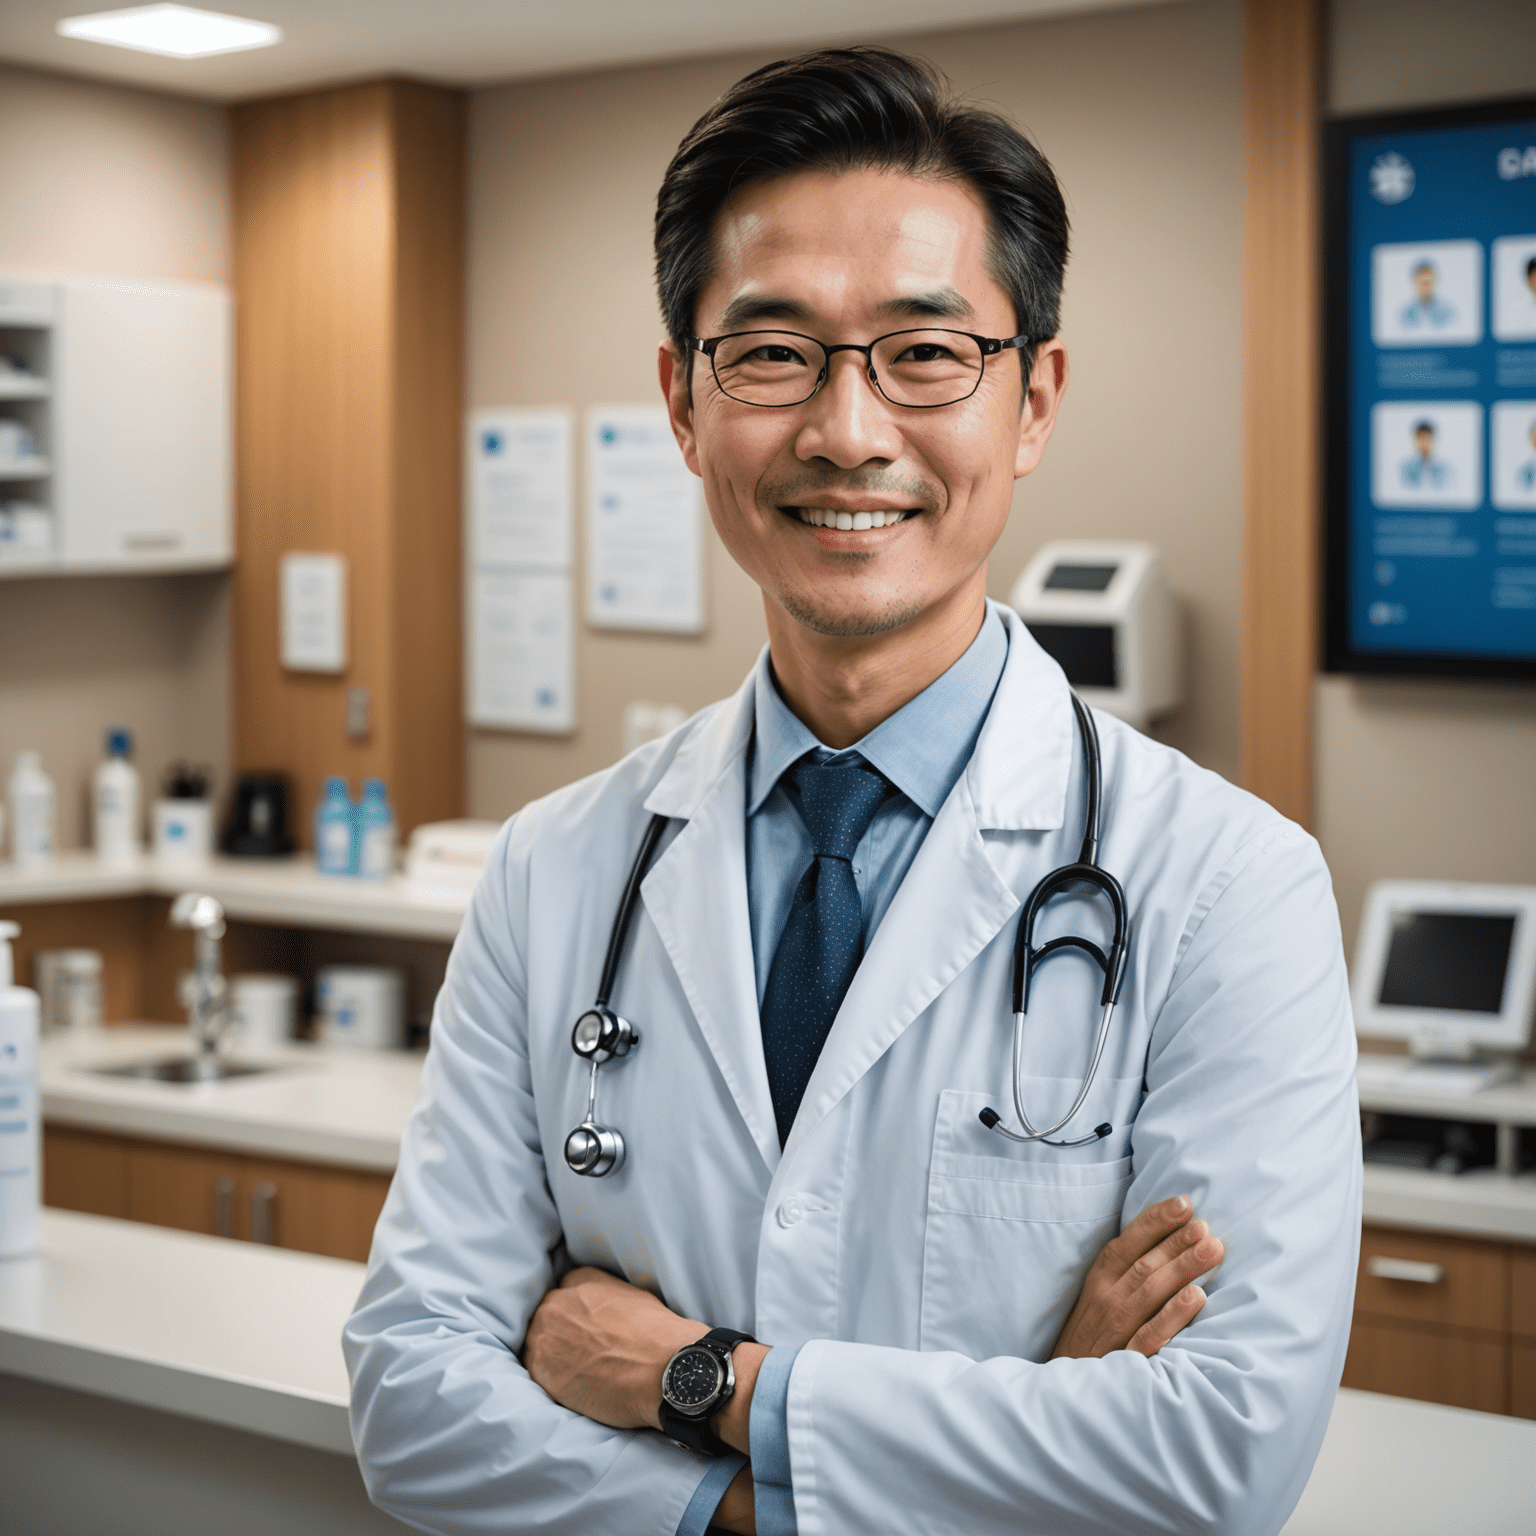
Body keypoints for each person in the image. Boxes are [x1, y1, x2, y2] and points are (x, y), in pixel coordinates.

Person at [345, 48, 1360, 1536]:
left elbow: (1212, 1458)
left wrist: (693, 1378)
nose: (847, 429)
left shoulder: (1227, 886)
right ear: (686, 407)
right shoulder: (556, 870)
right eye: (771, 353)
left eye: (926, 353)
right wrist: (812, 1490)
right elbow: (416, 1399)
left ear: (1034, 401)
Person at [1400, 259, 1455, 329]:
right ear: (1415, 282)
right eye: (1423, 283)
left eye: (1429, 282)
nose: (1426, 287)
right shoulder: (1405, 314)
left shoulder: (1447, 312)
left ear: (1435, 281)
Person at [1402, 419, 1450, 490]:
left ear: (1433, 439)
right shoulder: (1407, 468)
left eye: (1426, 438)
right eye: (1421, 439)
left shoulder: (1444, 468)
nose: (1424, 443)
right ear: (1415, 440)